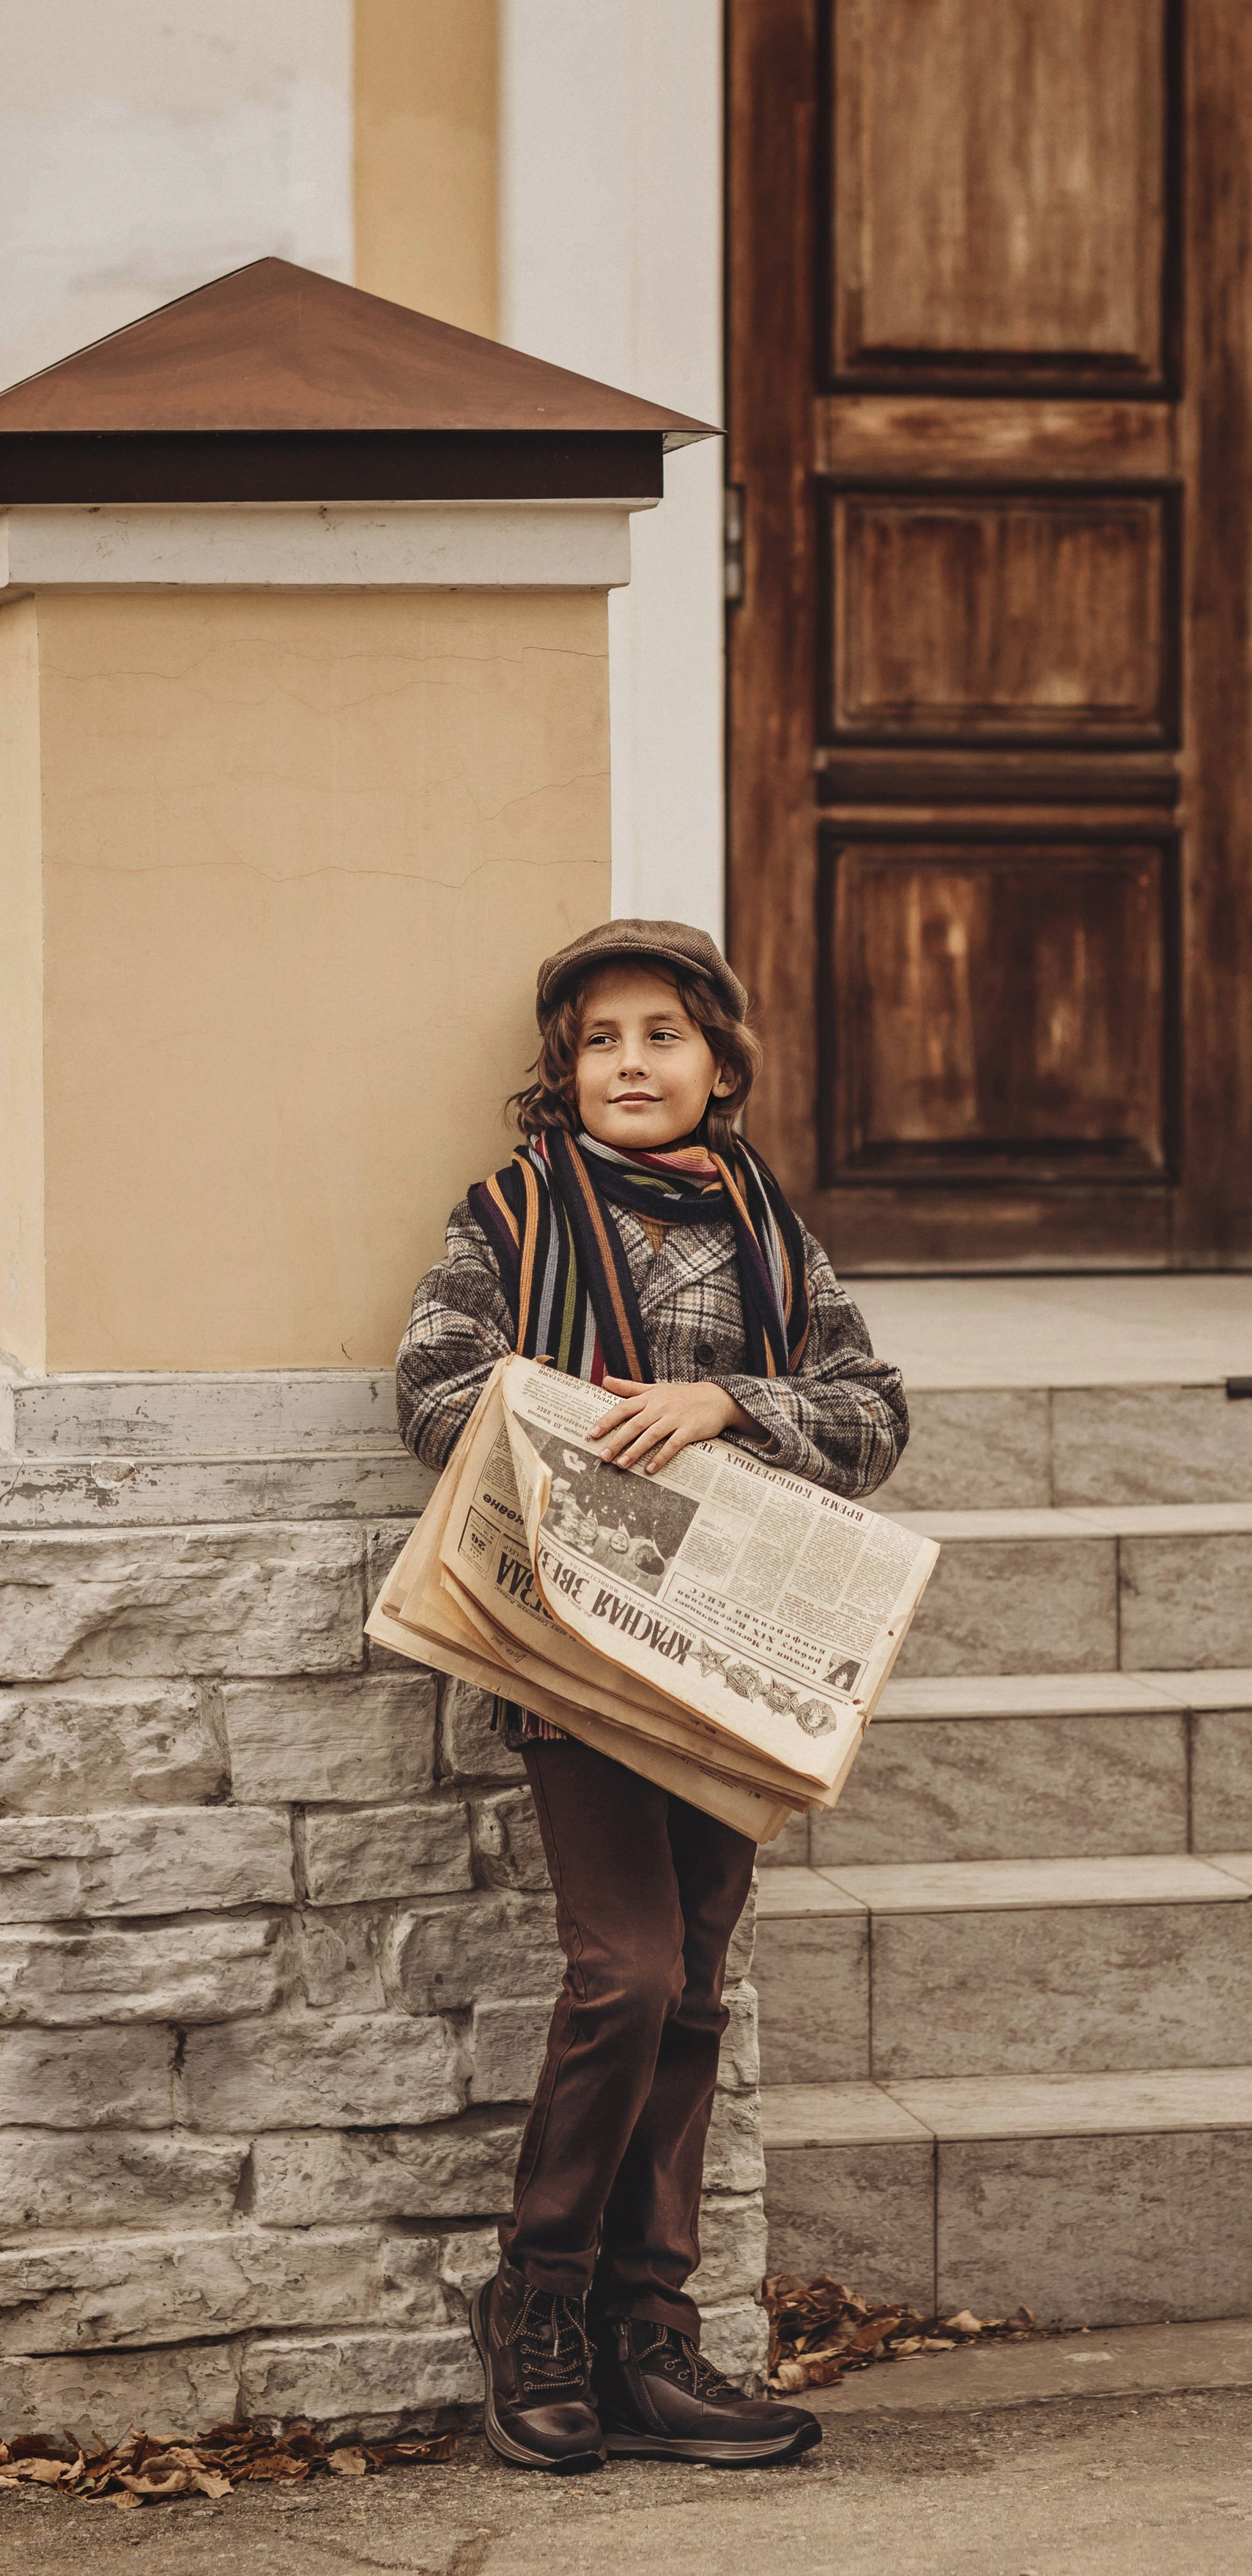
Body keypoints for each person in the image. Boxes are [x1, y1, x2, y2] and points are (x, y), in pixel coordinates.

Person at [396, 918, 908, 2473]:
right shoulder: (509, 1218)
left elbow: (873, 1413)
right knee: (621, 1974)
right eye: (602, 1039)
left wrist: (725, 1404)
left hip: (735, 1670)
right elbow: (427, 1391)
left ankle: (650, 2338)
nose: (633, 1062)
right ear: (562, 1071)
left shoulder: (767, 1229)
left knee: (689, 1985)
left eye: (664, 1036)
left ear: (719, 1065)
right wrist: (568, 1415)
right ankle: (536, 2302)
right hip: (580, 1661)